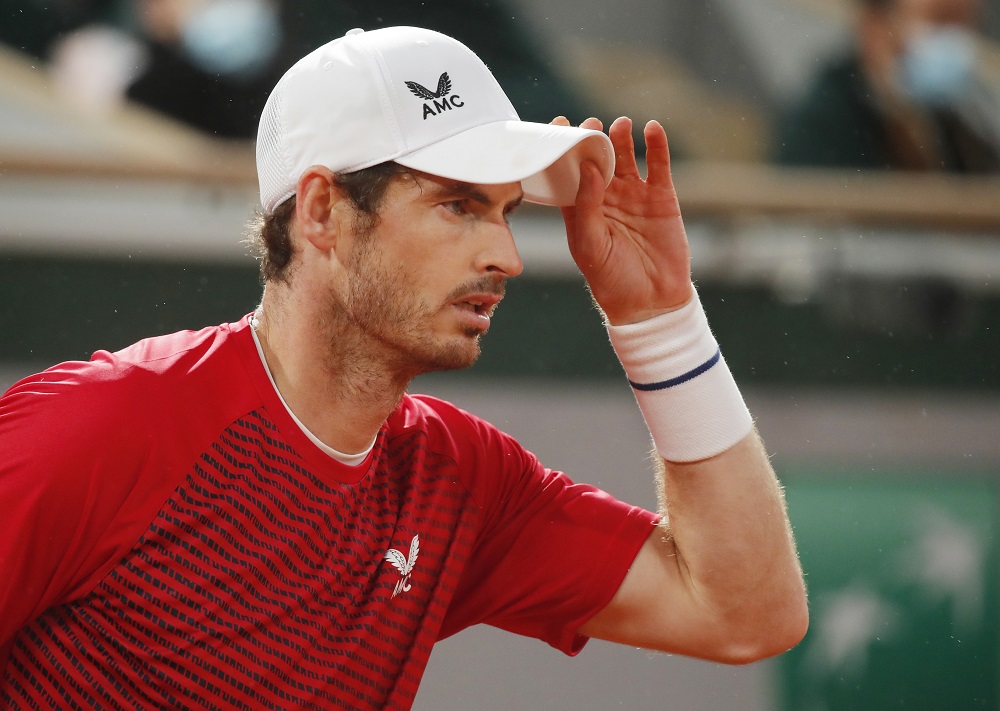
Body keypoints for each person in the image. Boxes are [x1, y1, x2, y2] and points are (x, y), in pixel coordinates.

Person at [0, 26, 808, 710]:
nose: (506, 255)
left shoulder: (458, 478)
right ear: (322, 213)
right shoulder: (104, 425)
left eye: (506, 212)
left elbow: (744, 613)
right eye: (458, 204)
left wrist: (661, 319)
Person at [775, 0, 1000, 172]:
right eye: (941, 21)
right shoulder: (822, 124)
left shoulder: (958, 119)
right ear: (875, 28)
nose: (956, 41)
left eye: (966, 24)